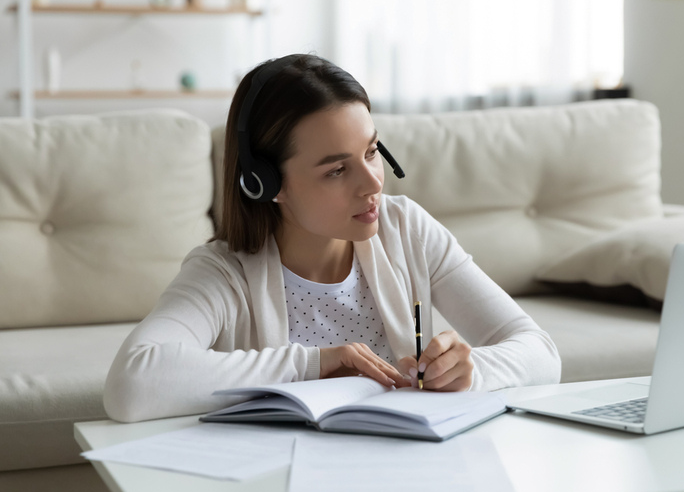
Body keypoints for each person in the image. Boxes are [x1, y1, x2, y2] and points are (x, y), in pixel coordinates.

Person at [104, 54, 560, 423]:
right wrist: (312, 365)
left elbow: (541, 353)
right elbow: (133, 385)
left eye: (371, 152)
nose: (373, 184)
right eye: (337, 170)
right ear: (266, 183)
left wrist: (470, 371)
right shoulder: (224, 272)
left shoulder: (407, 229)